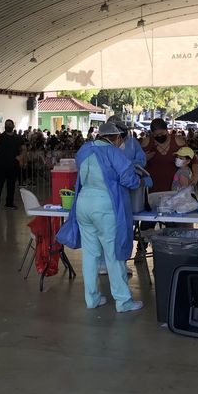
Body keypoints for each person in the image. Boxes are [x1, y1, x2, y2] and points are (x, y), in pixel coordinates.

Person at [56, 122, 144, 312]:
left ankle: (92, 299)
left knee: (90, 254)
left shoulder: (84, 149)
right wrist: (140, 179)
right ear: (117, 137)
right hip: (105, 205)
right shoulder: (114, 153)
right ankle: (123, 301)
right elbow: (129, 179)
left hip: (83, 203)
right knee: (113, 254)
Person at [140, 118, 198, 194]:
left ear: (167, 130)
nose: (159, 136)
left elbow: (193, 158)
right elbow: (136, 162)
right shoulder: (147, 142)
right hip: (153, 187)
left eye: (162, 133)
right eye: (156, 135)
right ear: (152, 133)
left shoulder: (177, 141)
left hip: (174, 186)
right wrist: (144, 158)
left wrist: (196, 174)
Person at [0, 119, 25, 211]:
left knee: (11, 186)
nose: (8, 126)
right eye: (6, 124)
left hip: (13, 165)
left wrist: (20, 157)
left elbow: (23, 148)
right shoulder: (0, 136)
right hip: (1, 165)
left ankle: (9, 204)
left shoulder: (18, 138)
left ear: (13, 125)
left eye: (9, 124)